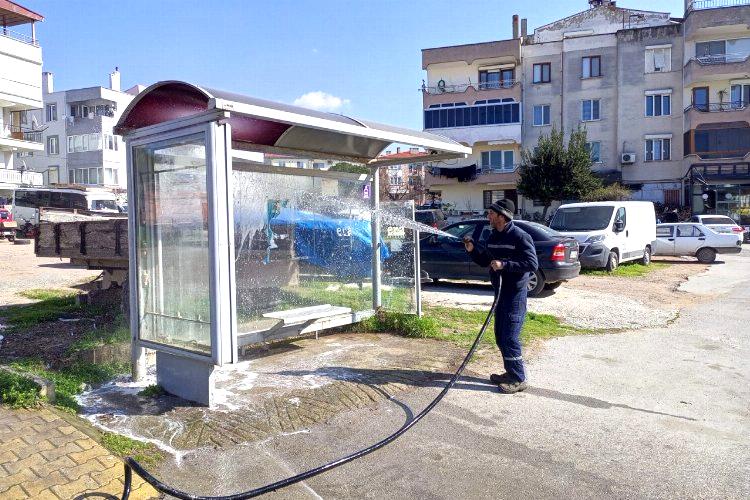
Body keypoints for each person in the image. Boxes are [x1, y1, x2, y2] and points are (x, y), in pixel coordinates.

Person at [463, 199, 538, 393]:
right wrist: (473, 251)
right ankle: (510, 372)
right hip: (500, 293)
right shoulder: (493, 236)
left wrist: (505, 265)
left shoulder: (520, 237)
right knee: (500, 336)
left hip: (514, 295)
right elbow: (488, 260)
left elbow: (532, 264)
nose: (488, 216)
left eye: (491, 213)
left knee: (510, 338)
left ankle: (519, 378)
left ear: (502, 216)